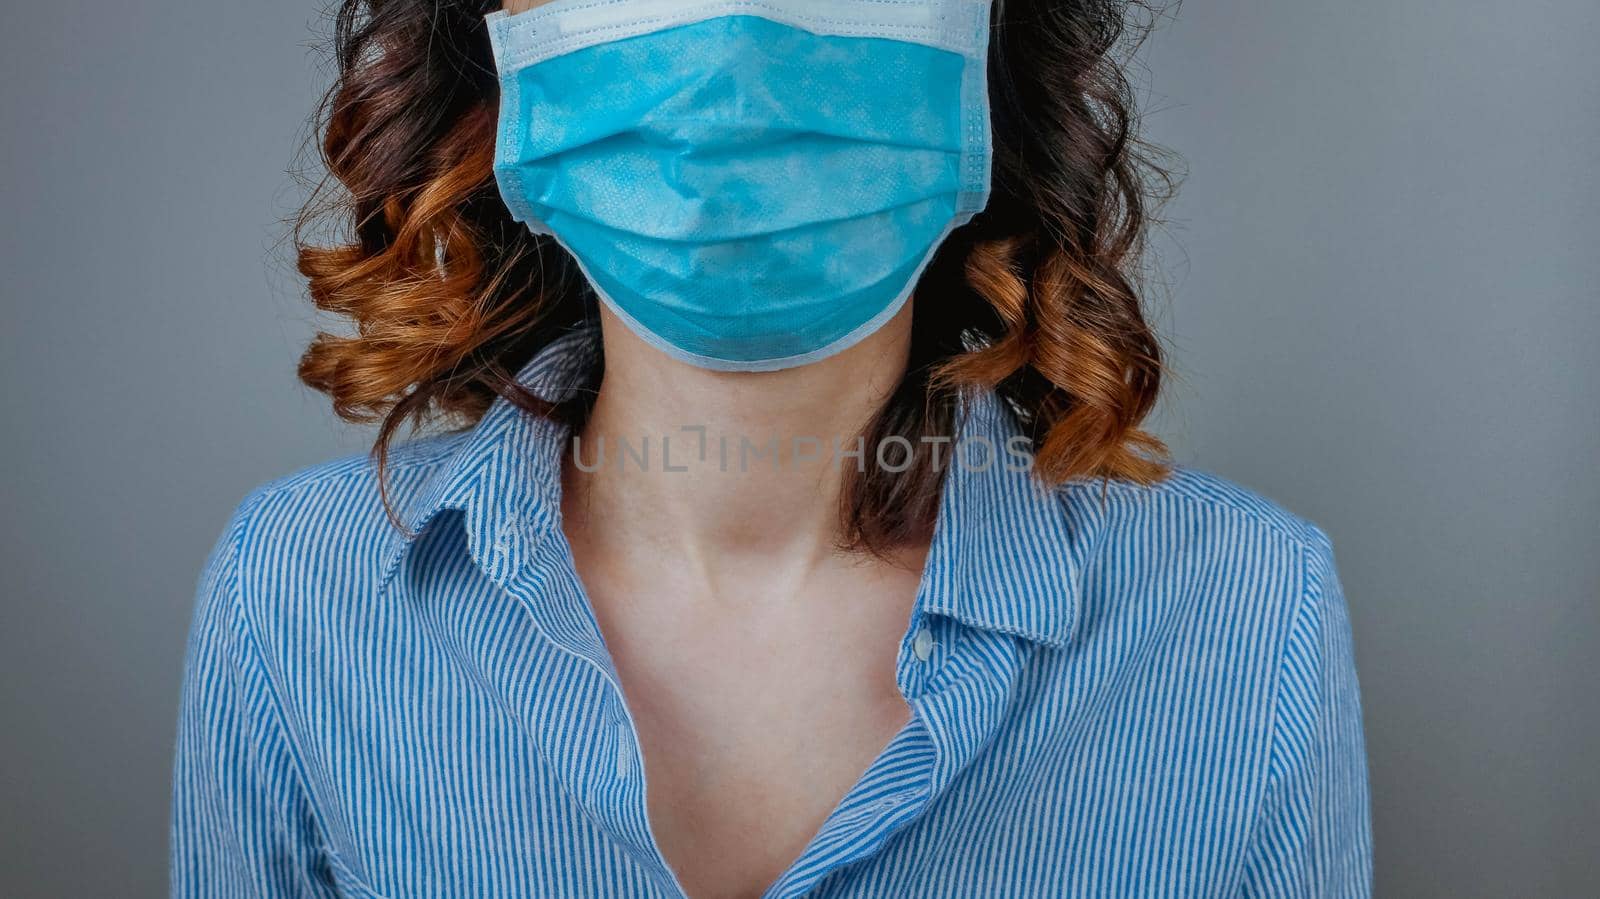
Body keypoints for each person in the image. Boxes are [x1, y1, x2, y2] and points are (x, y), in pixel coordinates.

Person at [171, 0, 1372, 895]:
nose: (733, 39)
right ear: (498, 54)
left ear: (988, 43)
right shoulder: (296, 591)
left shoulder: (1247, 607)